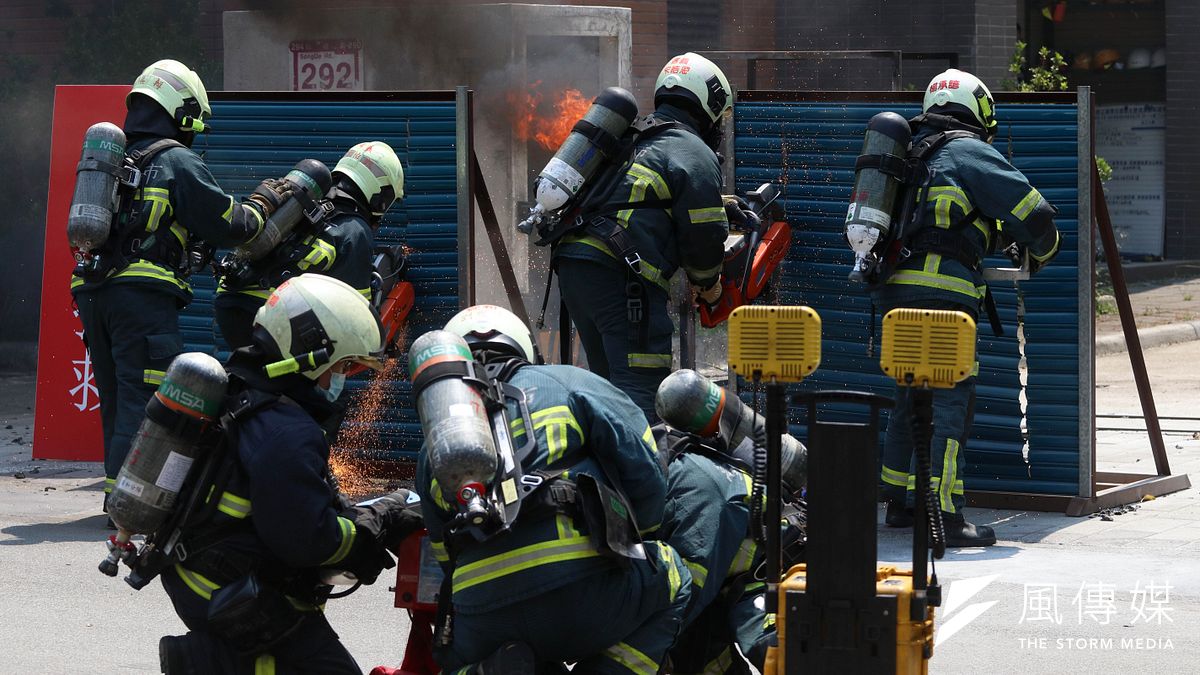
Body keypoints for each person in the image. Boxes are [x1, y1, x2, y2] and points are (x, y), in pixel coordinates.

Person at [157, 274, 424, 674]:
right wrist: (378, 522)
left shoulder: (241, 393)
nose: (338, 382)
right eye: (341, 367)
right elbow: (310, 541)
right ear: (310, 353)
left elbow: (293, 499)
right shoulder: (286, 430)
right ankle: (210, 664)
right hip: (240, 595)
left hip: (199, 575)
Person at [417, 304, 693, 674]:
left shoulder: (436, 443)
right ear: (523, 347)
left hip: (483, 615)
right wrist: (637, 539)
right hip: (583, 593)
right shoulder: (570, 382)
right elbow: (644, 475)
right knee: (674, 574)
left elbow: (442, 551)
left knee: (457, 659)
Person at [71, 59, 291, 518]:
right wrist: (265, 201)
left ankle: (117, 493)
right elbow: (233, 225)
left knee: (116, 394)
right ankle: (128, 503)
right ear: (179, 109)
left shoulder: (117, 162)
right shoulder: (176, 160)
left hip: (94, 292)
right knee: (145, 396)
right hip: (142, 298)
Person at [873, 68, 1060, 547]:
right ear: (978, 110)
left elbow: (947, 220)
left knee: (908, 396)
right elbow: (1034, 214)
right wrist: (1039, 251)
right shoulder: (968, 150)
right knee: (948, 403)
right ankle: (944, 517)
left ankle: (900, 503)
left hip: (896, 293)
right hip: (944, 295)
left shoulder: (909, 152)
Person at [553, 52, 733, 421]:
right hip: (622, 280)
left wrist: (722, 203)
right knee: (640, 386)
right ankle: (640, 476)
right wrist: (709, 285)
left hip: (577, 267)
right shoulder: (692, 148)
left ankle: (600, 475)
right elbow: (704, 236)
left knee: (606, 386)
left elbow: (638, 198)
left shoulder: (635, 137)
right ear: (709, 103)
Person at [215, 141, 405, 349]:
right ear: (381, 196)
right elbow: (358, 316)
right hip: (274, 319)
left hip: (230, 304)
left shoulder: (308, 208)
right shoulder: (355, 230)